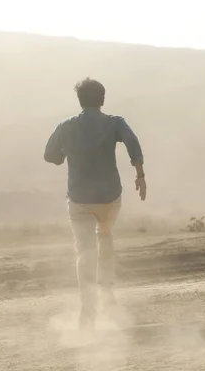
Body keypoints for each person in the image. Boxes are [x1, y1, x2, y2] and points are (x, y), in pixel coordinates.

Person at [44, 77, 146, 330]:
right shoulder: (114, 122)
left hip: (79, 199)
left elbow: (49, 155)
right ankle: (107, 291)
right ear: (102, 100)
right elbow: (133, 143)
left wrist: (64, 157)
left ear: (80, 100)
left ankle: (87, 311)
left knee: (85, 253)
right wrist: (140, 175)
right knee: (106, 234)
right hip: (110, 197)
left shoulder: (66, 126)